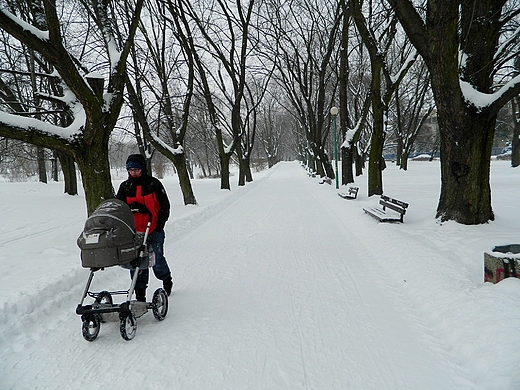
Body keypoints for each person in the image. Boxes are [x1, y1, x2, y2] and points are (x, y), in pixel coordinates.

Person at [116, 154, 173, 301]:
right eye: (130, 170)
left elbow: (164, 206)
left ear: (142, 169)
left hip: (153, 229)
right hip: (135, 232)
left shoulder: (153, 184)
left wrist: (160, 224)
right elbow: (119, 208)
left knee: (156, 260)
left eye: (136, 169)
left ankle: (166, 278)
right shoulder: (125, 187)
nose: (133, 172)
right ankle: (140, 293)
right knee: (137, 263)